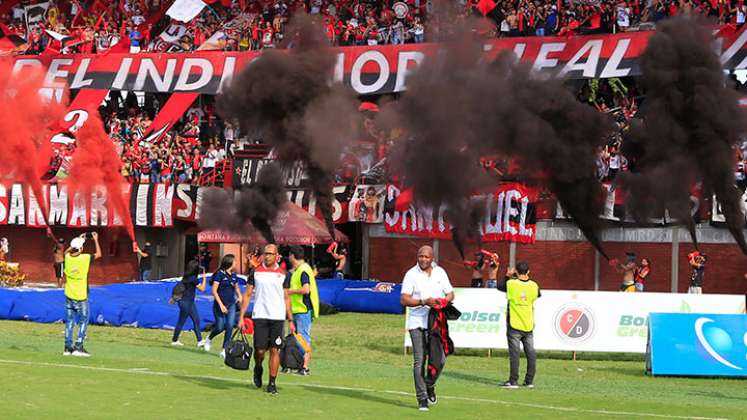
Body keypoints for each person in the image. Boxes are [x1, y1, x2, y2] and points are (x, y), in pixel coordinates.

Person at [400, 245, 454, 412]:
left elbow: (451, 293)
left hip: (435, 322)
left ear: (432, 258)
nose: (423, 259)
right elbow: (404, 299)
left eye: (426, 257)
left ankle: (430, 384)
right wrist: (424, 301)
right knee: (419, 361)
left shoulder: (440, 272)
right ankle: (422, 398)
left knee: (441, 358)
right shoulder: (411, 274)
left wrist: (443, 301)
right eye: (420, 256)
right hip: (416, 322)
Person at [239, 244, 293, 395]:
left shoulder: (284, 274)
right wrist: (242, 316)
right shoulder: (255, 272)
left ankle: (272, 382)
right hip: (260, 315)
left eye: (270, 254)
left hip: (277, 316)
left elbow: (286, 297)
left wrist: (291, 319)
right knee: (260, 351)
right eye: (266, 253)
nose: (267, 256)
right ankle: (258, 367)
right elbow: (248, 295)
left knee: (275, 350)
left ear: (277, 256)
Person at [496, 261, 540, 389]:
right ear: (528, 271)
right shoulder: (534, 285)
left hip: (514, 323)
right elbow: (538, 294)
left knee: (514, 354)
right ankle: (529, 381)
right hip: (528, 324)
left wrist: (508, 276)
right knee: (530, 353)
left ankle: (513, 381)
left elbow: (499, 286)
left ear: (516, 271)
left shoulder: (511, 283)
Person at [63, 233, 102, 357]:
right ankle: (78, 347)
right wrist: (95, 240)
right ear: (81, 249)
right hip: (81, 296)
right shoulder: (84, 258)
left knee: (69, 321)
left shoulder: (68, 258)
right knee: (83, 321)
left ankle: (68, 347)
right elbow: (99, 254)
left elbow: (66, 252)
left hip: (69, 294)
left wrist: (78, 240)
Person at [287, 245, 319, 375]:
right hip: (296, 309)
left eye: (289, 255)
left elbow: (306, 289)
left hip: (303, 309)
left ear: (293, 256)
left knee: (303, 338)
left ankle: (305, 367)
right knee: (295, 337)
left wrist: (290, 291)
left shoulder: (303, 270)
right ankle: (294, 364)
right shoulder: (298, 270)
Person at [204, 254, 242, 358]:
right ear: (229, 262)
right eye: (234, 261)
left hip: (231, 305)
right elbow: (214, 291)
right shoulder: (219, 274)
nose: (236, 263)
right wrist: (221, 305)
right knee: (220, 327)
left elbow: (236, 287)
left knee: (230, 326)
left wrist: (239, 296)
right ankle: (209, 338)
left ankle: (224, 349)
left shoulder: (234, 276)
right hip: (219, 305)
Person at [171, 260, 209, 347]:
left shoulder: (186, 277)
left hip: (189, 302)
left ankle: (199, 340)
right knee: (181, 321)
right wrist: (204, 278)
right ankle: (174, 340)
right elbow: (202, 289)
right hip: (186, 302)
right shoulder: (193, 279)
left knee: (196, 320)